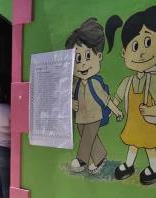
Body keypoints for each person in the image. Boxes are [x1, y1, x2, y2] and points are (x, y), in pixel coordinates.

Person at [65, 18, 123, 174]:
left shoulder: (95, 83)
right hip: (81, 116)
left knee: (89, 136)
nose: (82, 64)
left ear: (99, 57)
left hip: (94, 114)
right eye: (78, 58)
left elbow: (106, 99)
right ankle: (100, 156)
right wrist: (71, 104)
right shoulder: (76, 84)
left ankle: (83, 159)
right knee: (87, 135)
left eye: (88, 56)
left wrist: (117, 111)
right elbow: (65, 96)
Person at [106, 6, 156, 184]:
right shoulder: (128, 82)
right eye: (135, 46)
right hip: (134, 124)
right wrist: (112, 110)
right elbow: (117, 99)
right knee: (132, 145)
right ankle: (129, 165)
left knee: (150, 147)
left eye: (148, 42)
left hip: (149, 124)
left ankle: (154, 169)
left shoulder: (154, 81)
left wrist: (151, 110)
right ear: (124, 53)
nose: (141, 52)